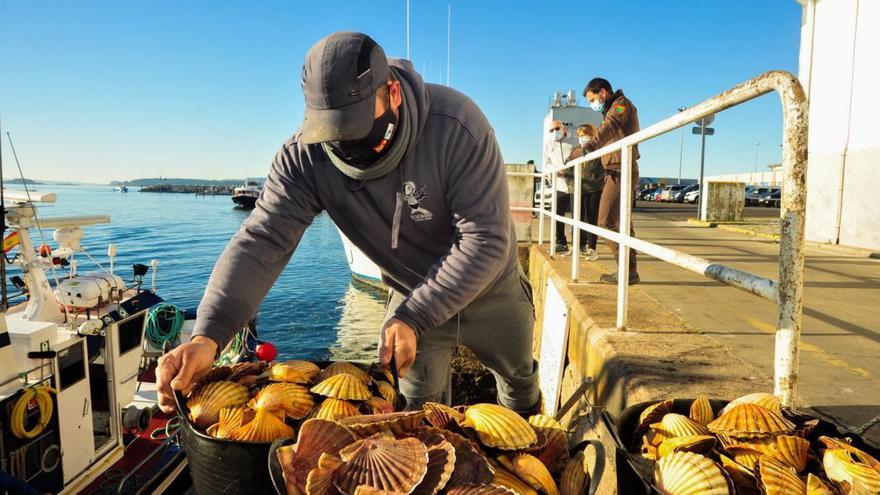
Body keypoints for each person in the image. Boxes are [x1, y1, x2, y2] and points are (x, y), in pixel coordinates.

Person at [156, 32, 540, 414]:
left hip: (491, 289)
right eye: (334, 138)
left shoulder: (457, 126)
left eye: (359, 132)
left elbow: (484, 240)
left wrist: (414, 314)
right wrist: (208, 336)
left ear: (392, 94)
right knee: (415, 408)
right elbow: (262, 242)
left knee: (518, 380)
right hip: (411, 291)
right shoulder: (303, 160)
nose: (350, 152)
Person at [581, 78, 641, 284]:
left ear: (603, 92)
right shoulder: (610, 109)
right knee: (623, 223)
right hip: (615, 170)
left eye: (592, 99)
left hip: (621, 170)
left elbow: (610, 127)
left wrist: (592, 145)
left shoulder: (620, 105)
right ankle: (630, 271)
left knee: (605, 222)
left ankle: (626, 270)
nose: (592, 104)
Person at [567, 123, 604, 260]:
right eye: (580, 136)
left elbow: (599, 169)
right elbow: (568, 168)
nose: (582, 138)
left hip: (592, 189)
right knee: (576, 218)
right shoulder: (575, 150)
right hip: (576, 189)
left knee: (591, 219)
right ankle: (577, 245)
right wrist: (571, 183)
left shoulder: (598, 149)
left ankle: (592, 248)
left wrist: (596, 182)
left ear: (592, 135)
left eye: (585, 135)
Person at [542, 120, 577, 254]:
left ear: (564, 129)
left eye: (556, 128)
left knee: (578, 215)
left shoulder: (574, 141)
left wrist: (568, 171)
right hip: (559, 184)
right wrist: (555, 170)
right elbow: (546, 163)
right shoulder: (548, 145)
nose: (554, 132)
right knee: (557, 213)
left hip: (575, 183)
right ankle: (561, 242)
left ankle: (579, 243)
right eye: (551, 130)